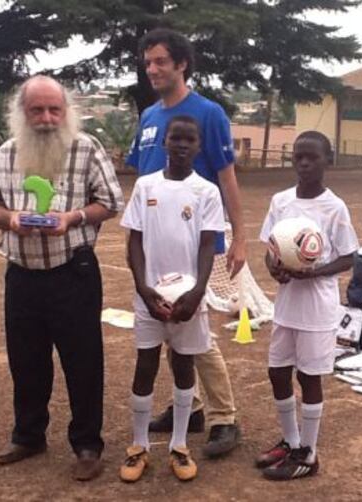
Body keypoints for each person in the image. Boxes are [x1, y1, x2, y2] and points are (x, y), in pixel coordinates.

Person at [0, 75, 124, 481]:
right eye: (37, 110)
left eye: (54, 109)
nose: (46, 118)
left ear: (66, 111)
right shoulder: (5, 154)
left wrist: (72, 217)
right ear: (22, 113)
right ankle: (28, 435)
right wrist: (10, 219)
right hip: (21, 276)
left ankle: (88, 444)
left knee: (84, 361)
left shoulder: (86, 148)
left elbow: (110, 202)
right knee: (26, 361)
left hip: (73, 272)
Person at [127, 27, 246, 458]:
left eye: (160, 61)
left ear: (182, 64)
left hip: (199, 243)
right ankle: (191, 408)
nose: (152, 69)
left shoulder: (209, 113)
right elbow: (142, 176)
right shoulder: (148, 116)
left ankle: (223, 418)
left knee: (198, 330)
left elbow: (227, 176)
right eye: (148, 62)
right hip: (156, 245)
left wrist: (240, 238)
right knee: (166, 330)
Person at [120, 115, 225, 482]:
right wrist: (144, 290)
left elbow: (208, 244)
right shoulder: (145, 186)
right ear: (164, 142)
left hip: (187, 299)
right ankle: (139, 446)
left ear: (198, 146)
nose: (182, 144)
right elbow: (133, 241)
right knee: (145, 366)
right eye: (175, 138)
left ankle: (179, 446)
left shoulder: (206, 191)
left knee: (183, 367)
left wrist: (196, 293)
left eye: (189, 139)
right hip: (149, 297)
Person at [256, 131, 359, 480]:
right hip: (286, 304)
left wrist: (312, 271)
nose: (303, 163)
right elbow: (270, 248)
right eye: (298, 157)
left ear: (326, 160)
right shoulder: (281, 201)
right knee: (277, 372)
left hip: (317, 307)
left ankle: (309, 455)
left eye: (311, 157)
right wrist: (277, 270)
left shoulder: (334, 207)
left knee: (309, 376)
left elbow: (348, 257)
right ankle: (290, 441)